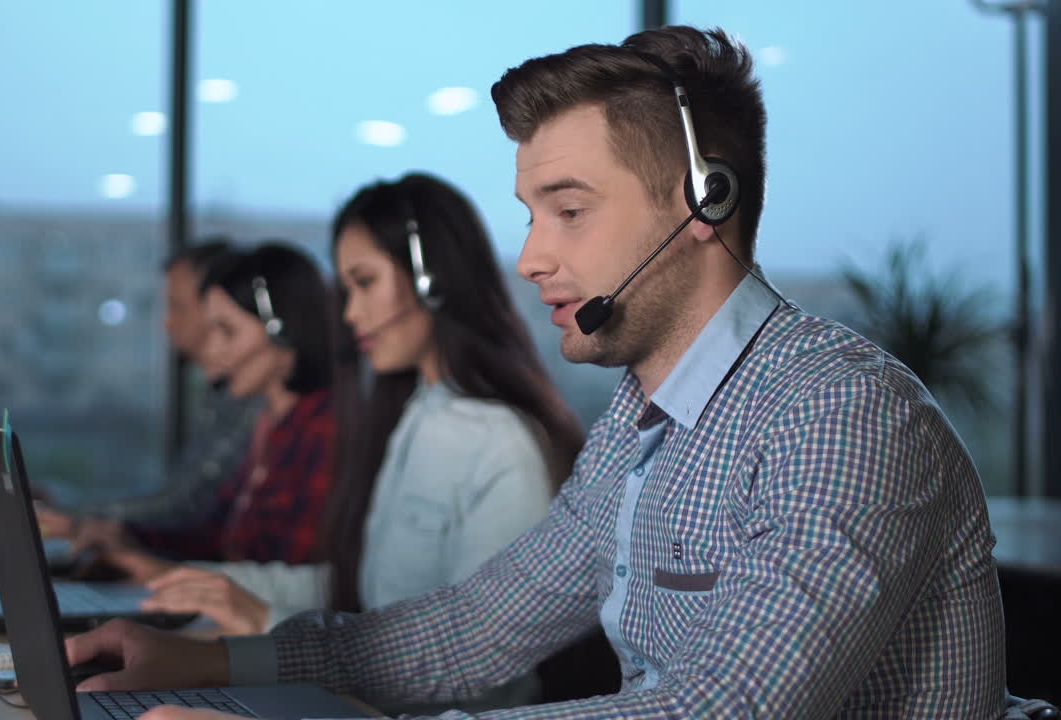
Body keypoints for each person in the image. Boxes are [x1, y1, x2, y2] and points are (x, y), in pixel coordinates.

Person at [64, 26, 1006, 718]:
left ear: (702, 203)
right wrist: (216, 663)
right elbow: (474, 629)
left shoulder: (842, 411)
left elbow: (728, 708)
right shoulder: (643, 425)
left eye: (568, 211)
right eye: (529, 215)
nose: (529, 260)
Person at [133, 173, 586, 715]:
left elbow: (483, 667)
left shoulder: (503, 445)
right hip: (355, 695)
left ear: (429, 279)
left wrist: (264, 628)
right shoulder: (414, 413)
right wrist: (203, 583)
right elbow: (362, 589)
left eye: (364, 283)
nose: (349, 315)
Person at [0, 240, 256, 544]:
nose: (166, 323)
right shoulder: (221, 394)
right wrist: (60, 506)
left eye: (178, 307)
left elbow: (185, 510)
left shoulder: (252, 399)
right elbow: (178, 498)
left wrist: (66, 519)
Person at [93, 243, 338, 581]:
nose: (211, 351)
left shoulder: (325, 429)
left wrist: (169, 572)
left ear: (282, 330)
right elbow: (217, 537)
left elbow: (296, 576)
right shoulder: (269, 423)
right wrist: (130, 539)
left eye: (227, 331)